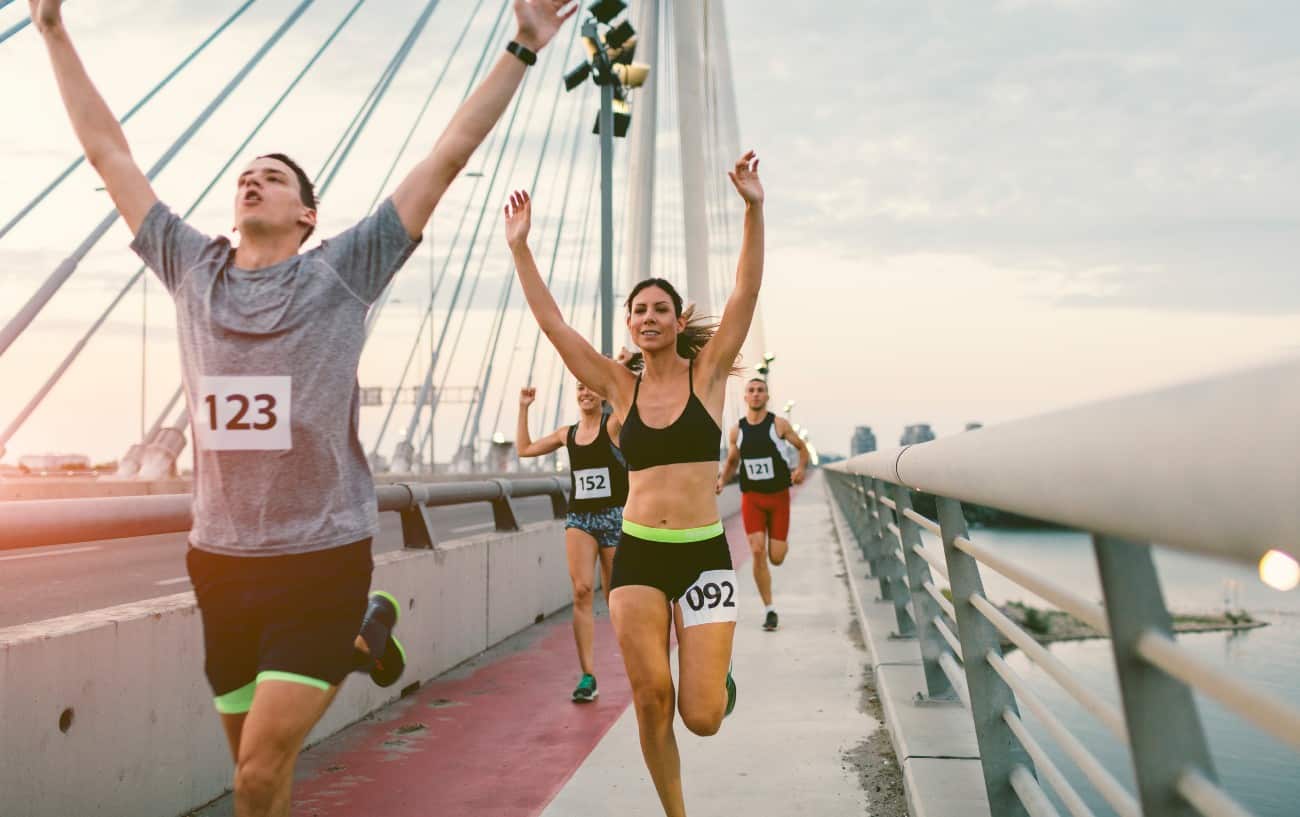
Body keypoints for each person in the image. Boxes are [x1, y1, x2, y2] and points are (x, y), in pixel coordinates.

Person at [28, 0, 575, 814]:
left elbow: (447, 156)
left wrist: (523, 48)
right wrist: (52, 32)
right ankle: (362, 638)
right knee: (259, 775)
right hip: (219, 562)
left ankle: (349, 628)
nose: (253, 178)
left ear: (306, 214)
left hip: (321, 556)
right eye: (246, 174)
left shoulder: (343, 270)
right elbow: (109, 153)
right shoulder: (190, 268)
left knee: (254, 773)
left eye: (274, 176)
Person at [503, 149, 765, 817]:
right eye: (637, 310)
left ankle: (717, 677)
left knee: (701, 715)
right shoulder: (620, 387)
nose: (647, 316)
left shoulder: (708, 377)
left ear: (678, 321)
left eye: (659, 308)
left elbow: (744, 294)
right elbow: (555, 326)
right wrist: (520, 249)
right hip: (640, 552)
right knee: (650, 696)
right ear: (629, 326)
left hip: (705, 552)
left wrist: (753, 209)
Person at [516, 381, 627, 702]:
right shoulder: (568, 434)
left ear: (604, 394)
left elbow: (635, 401)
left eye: (593, 387)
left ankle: (635, 661)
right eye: (581, 387)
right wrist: (524, 407)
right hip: (580, 518)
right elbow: (524, 449)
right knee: (580, 591)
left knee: (615, 597)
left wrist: (619, 368)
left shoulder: (614, 425)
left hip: (614, 517)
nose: (586, 392)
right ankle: (588, 676)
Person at [717, 378, 809, 631]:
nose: (756, 395)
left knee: (776, 557)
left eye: (760, 391)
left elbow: (803, 449)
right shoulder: (737, 430)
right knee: (756, 550)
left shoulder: (779, 424)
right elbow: (733, 461)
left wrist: (800, 469)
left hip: (778, 497)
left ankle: (778, 547)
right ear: (745, 397)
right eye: (751, 391)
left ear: (767, 396)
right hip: (752, 498)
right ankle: (769, 610)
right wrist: (722, 481)